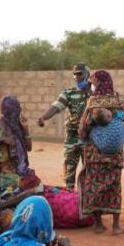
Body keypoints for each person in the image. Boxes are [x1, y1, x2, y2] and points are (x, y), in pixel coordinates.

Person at [77, 70, 124, 235]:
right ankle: (116, 226)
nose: (92, 86)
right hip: (114, 155)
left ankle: (98, 224)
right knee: (114, 187)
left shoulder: (92, 102)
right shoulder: (119, 99)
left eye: (93, 83)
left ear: (98, 83)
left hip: (95, 154)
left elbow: (83, 130)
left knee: (94, 187)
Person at [37, 63, 92, 191]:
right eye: (75, 74)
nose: (77, 77)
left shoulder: (95, 94)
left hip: (90, 138)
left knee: (89, 170)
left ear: (88, 74)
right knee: (69, 170)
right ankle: (70, 198)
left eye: (80, 74)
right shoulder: (69, 93)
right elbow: (57, 106)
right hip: (72, 138)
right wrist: (44, 117)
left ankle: (86, 200)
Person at [0, 95, 40, 194]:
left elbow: (29, 148)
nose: (17, 113)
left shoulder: (17, 126)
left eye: (18, 109)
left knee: (37, 188)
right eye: (13, 110)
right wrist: (1, 141)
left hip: (21, 172)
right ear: (6, 111)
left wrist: (26, 130)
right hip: (4, 174)